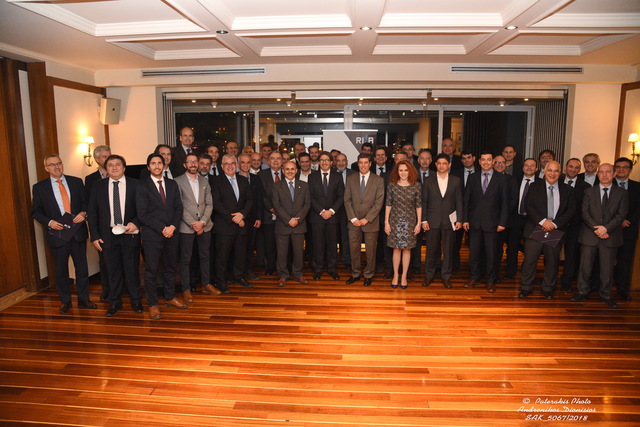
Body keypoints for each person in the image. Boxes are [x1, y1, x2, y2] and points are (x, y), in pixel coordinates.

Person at [31, 154, 95, 315]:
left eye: (59, 163)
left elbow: (86, 202)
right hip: (57, 235)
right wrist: (49, 222)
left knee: (82, 269)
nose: (57, 167)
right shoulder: (39, 187)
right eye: (52, 165)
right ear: (46, 168)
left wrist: (84, 213)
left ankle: (84, 299)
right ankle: (65, 301)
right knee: (61, 271)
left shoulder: (76, 182)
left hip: (77, 233)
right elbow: (36, 211)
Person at [88, 154, 143, 317]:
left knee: (132, 271)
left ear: (124, 168)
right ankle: (114, 303)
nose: (114, 167)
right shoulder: (98, 186)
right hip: (107, 236)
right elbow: (92, 212)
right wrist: (94, 236)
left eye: (117, 164)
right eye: (110, 165)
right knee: (112, 272)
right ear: (106, 169)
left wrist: (136, 223)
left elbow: (143, 209)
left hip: (129, 233)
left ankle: (136, 301)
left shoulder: (136, 184)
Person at [136, 153, 186, 320]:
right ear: (148, 167)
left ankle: (170, 297)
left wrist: (172, 227)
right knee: (151, 271)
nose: (157, 166)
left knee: (171, 268)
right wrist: (162, 228)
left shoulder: (172, 184)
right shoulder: (142, 186)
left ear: (164, 166)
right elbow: (142, 214)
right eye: (153, 163)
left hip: (172, 233)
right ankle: (153, 304)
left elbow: (178, 208)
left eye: (159, 163)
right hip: (152, 236)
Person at [572, 163, 628, 309]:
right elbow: (585, 213)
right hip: (590, 235)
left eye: (608, 172)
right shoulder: (589, 192)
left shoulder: (622, 193)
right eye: (601, 172)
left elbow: (621, 214)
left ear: (614, 174)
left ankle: (606, 294)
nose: (604, 175)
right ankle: (582, 291)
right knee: (585, 267)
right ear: (598, 174)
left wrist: (606, 228)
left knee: (607, 269)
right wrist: (597, 229)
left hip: (610, 236)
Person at [518, 161, 575, 299]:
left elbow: (571, 210)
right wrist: (544, 222)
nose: (553, 173)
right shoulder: (534, 186)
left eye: (556, 171)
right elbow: (528, 206)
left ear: (560, 173)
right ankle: (526, 287)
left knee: (552, 261)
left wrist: (554, 224)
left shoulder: (567, 189)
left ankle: (548, 288)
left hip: (555, 229)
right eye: (550, 170)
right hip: (536, 228)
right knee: (530, 260)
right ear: (544, 171)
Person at [463, 151, 509, 293]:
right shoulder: (472, 177)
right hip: (475, 222)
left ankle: (491, 280)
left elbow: (505, 202)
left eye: (489, 160)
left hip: (493, 223)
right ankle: (474, 277)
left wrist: (502, 222)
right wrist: (465, 219)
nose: (486, 162)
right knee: (474, 253)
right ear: (479, 161)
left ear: (493, 161)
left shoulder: (501, 179)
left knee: (492, 254)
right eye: (483, 160)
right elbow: (466, 200)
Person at [211, 154, 254, 292]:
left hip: (241, 225)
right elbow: (216, 203)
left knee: (240, 255)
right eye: (227, 164)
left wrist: (242, 215)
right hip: (225, 226)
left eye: (232, 163)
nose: (230, 166)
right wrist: (234, 218)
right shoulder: (216, 181)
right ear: (222, 166)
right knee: (222, 257)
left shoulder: (243, 180)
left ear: (236, 165)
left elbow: (249, 201)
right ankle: (221, 282)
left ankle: (239, 277)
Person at [174, 153, 214, 303]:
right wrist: (194, 223)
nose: (193, 164)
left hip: (205, 225)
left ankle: (206, 284)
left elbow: (209, 204)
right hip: (186, 227)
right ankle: (186, 289)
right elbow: (179, 206)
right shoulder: (177, 182)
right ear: (185, 165)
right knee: (185, 259)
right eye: (189, 162)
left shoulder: (204, 181)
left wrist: (202, 222)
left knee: (205, 257)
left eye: (195, 161)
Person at [421, 154, 463, 288]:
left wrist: (460, 220)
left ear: (449, 165)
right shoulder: (428, 180)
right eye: (439, 163)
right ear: (435, 164)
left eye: (444, 163)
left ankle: (446, 276)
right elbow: (424, 201)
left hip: (449, 221)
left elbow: (459, 201)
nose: (441, 166)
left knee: (448, 251)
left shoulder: (456, 180)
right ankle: (429, 275)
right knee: (431, 251)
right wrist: (424, 220)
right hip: (432, 220)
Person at [344, 153, 385, 286]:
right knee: (354, 250)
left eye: (365, 162)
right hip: (354, 222)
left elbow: (379, 203)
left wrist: (367, 219)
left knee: (371, 251)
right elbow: (347, 200)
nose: (363, 165)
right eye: (360, 162)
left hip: (370, 222)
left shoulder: (378, 180)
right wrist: (353, 218)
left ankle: (368, 274)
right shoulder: (351, 179)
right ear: (358, 164)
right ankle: (355, 273)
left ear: (370, 164)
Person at [272, 161, 310, 287]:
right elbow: (276, 205)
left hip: (299, 225)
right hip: (283, 225)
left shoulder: (304, 185)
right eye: (287, 169)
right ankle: (283, 275)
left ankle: (298, 273)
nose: (290, 171)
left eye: (292, 169)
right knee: (281, 253)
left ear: (296, 170)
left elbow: (307, 204)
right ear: (283, 171)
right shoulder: (277, 186)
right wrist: (289, 220)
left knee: (299, 252)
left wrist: (297, 219)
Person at [308, 152, 344, 280]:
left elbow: (341, 196)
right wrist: (322, 211)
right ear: (318, 162)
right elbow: (310, 196)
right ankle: (318, 269)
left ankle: (332, 269)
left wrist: (331, 211)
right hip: (317, 216)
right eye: (322, 160)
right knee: (318, 245)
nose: (324, 162)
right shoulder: (312, 177)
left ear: (331, 162)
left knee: (332, 245)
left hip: (333, 217)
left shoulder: (338, 176)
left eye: (326, 160)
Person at [84, 144, 111, 302]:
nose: (108, 159)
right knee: (104, 261)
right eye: (105, 157)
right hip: (102, 228)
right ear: (96, 159)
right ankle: (106, 290)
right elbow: (90, 207)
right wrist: (93, 232)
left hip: (120, 225)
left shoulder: (120, 174)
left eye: (109, 155)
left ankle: (123, 287)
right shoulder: (90, 180)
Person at [559, 158, 590, 292]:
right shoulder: (556, 180)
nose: (573, 169)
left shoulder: (585, 186)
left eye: (576, 168)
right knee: (551, 253)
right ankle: (549, 278)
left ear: (579, 170)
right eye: (570, 166)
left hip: (574, 226)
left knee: (571, 255)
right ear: (566, 167)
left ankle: (566, 280)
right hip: (555, 225)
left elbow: (585, 208)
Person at [613, 157, 639, 301]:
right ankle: (601, 288)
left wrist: (628, 220)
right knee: (604, 260)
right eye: (618, 167)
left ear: (630, 169)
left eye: (625, 167)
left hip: (629, 230)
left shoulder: (637, 186)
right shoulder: (607, 184)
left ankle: (622, 290)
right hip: (610, 229)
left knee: (625, 261)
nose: (621, 169)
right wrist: (618, 221)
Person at [238, 153, 263, 280]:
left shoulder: (256, 178)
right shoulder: (234, 178)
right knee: (239, 247)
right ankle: (237, 272)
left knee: (250, 246)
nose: (246, 165)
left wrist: (259, 217)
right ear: (238, 164)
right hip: (238, 219)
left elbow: (259, 199)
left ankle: (248, 270)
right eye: (243, 162)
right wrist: (239, 217)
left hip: (252, 218)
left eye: (248, 162)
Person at [258, 151, 284, 275]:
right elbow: (261, 195)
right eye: (273, 158)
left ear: (282, 161)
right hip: (268, 214)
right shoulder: (261, 175)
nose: (275, 161)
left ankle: (284, 266)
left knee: (283, 243)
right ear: (268, 161)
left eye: (278, 158)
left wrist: (282, 211)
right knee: (269, 243)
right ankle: (271, 266)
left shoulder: (288, 172)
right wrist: (272, 209)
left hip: (285, 216)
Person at [451, 149, 477, 272]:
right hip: (458, 212)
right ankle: (455, 266)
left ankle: (473, 268)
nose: (466, 160)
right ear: (461, 160)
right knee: (455, 242)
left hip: (475, 213)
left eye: (469, 157)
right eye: (464, 158)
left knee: (474, 243)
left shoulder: (481, 173)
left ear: (474, 158)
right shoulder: (455, 174)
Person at [335, 153, 356, 268]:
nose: (341, 163)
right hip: (333, 210)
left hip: (348, 210)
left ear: (347, 162)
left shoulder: (354, 174)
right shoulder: (331, 174)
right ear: (335, 162)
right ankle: (333, 261)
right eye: (338, 160)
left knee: (346, 237)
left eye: (343, 160)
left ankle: (347, 261)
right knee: (333, 237)